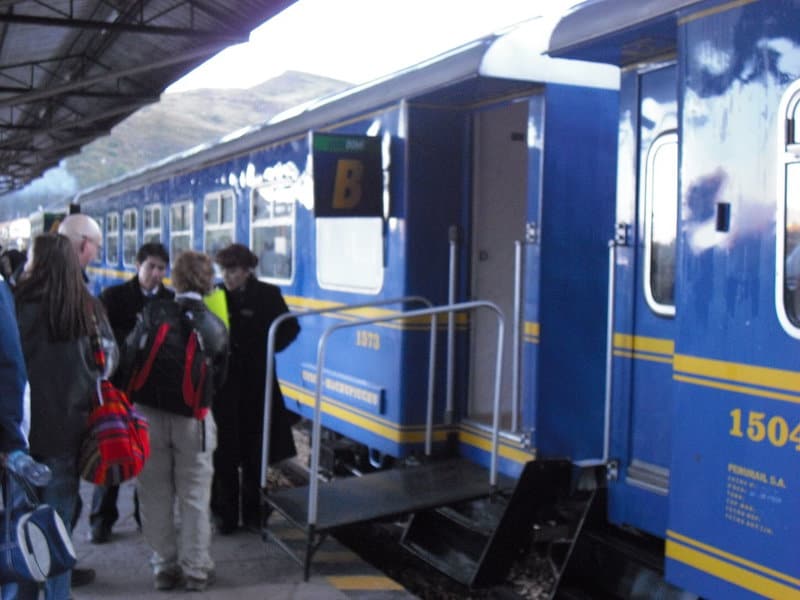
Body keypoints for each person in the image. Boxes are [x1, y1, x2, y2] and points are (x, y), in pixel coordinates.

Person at [12, 233, 117, 600]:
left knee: (17, 527)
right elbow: (108, 365)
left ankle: (22, 593)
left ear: (36, 263)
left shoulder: (13, 304)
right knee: (56, 525)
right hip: (68, 435)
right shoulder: (88, 309)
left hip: (19, 438)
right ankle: (57, 595)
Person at [120, 251, 227, 592]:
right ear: (208, 282)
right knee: (195, 495)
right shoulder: (213, 322)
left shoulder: (152, 312)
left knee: (154, 493)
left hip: (148, 415)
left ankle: (164, 568)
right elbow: (221, 377)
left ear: (175, 279)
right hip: (193, 420)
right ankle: (196, 570)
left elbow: (128, 358)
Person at [212, 243, 299, 534]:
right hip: (223, 385)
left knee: (254, 451)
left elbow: (290, 328)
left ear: (248, 270)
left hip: (257, 383)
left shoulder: (268, 296)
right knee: (224, 452)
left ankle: (253, 514)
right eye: (223, 270)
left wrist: (267, 349)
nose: (227, 276)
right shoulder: (214, 295)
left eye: (233, 270)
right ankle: (224, 516)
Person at [91, 242, 174, 544]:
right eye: (151, 267)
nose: (156, 274)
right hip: (119, 389)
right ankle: (102, 519)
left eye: (161, 268)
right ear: (137, 266)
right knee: (112, 455)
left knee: (148, 461)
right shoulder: (113, 298)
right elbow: (99, 340)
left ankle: (144, 519)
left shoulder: (170, 302)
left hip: (153, 391)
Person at [56, 212, 103, 588]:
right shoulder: (82, 303)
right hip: (64, 426)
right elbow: (102, 363)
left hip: (26, 431)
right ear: (84, 245)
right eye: (96, 247)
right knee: (60, 508)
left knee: (29, 516)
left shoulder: (16, 294)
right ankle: (55, 582)